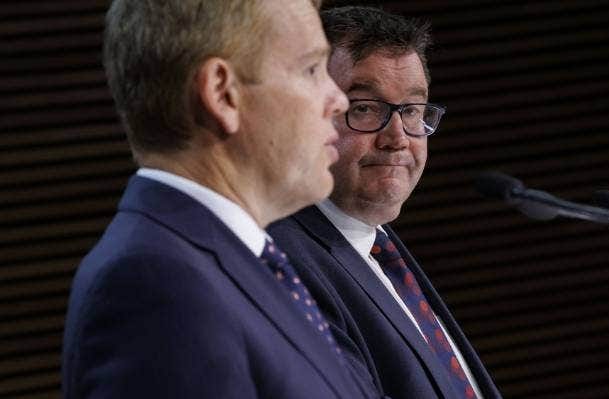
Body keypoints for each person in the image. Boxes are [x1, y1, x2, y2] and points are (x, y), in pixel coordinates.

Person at [62, 0, 382, 398]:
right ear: (222, 93)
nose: (339, 100)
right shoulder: (157, 287)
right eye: (312, 69)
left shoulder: (249, 258)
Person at [268, 6, 502, 399]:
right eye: (364, 108)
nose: (398, 138)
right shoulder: (284, 263)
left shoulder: (377, 243)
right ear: (308, 111)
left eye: (411, 110)